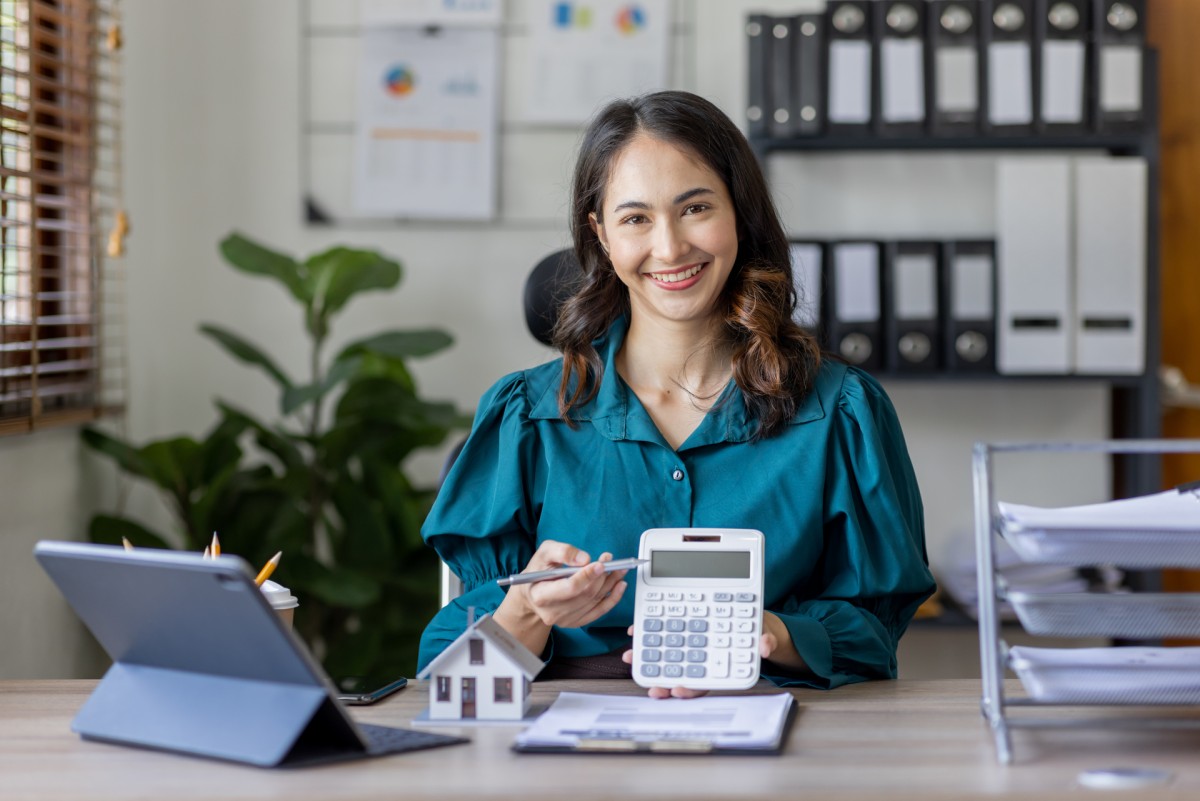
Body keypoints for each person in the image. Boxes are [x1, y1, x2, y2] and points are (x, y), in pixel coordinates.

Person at [417, 90, 936, 696]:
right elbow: (449, 679)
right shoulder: (527, 417)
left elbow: (873, 637)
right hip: (572, 752)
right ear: (602, 235)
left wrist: (770, 634)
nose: (669, 248)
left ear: (740, 212)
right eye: (636, 218)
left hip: (771, 732)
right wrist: (529, 610)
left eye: (694, 208)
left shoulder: (842, 411)